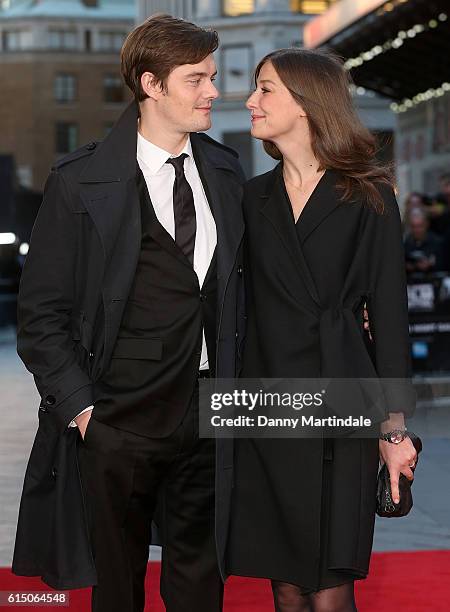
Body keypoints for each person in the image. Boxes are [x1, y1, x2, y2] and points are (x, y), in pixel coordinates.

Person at [12, 14, 246, 612]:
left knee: (201, 583)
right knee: (117, 589)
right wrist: (84, 410)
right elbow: (41, 313)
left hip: (209, 415)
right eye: (196, 79)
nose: (213, 92)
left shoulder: (224, 170)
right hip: (118, 419)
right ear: (151, 84)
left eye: (212, 77)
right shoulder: (80, 180)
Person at [222, 48, 417, 612]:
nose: (250, 101)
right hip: (264, 406)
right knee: (283, 583)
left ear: (306, 104)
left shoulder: (368, 194)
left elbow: (388, 313)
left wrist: (394, 428)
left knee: (331, 586)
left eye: (264, 90)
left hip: (341, 402)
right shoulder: (249, 198)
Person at [404, 208, 443, 274]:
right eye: (413, 226)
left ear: (427, 224)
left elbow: (443, 265)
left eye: (420, 226)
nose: (417, 230)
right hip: (411, 280)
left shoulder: (437, 242)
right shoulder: (406, 243)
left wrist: (431, 265)